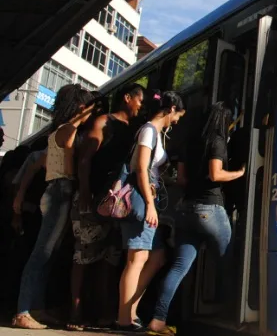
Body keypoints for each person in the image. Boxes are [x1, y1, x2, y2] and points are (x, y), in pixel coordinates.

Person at [147, 102, 246, 335]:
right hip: (210, 210)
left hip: (185, 209)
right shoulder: (218, 142)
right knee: (226, 263)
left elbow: (181, 180)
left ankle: (157, 320)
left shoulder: (190, 143)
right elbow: (216, 174)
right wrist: (240, 173)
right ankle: (226, 315)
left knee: (179, 267)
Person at [12, 84, 95, 330]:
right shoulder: (69, 130)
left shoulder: (59, 130)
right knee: (42, 254)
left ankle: (35, 308)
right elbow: (68, 166)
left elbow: (36, 163)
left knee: (48, 253)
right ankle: (23, 311)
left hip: (55, 192)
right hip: (60, 192)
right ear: (81, 108)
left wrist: (20, 195)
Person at [67, 84, 145, 331]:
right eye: (139, 100)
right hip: (93, 198)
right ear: (127, 98)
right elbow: (85, 160)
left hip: (118, 205)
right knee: (84, 256)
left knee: (108, 260)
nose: (141, 106)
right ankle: (76, 312)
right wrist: (86, 193)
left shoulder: (135, 129)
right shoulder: (103, 121)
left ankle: (101, 312)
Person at [116, 90, 185, 331]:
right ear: (171, 109)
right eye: (178, 116)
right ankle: (124, 318)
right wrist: (149, 203)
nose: (177, 121)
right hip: (141, 199)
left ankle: (130, 313)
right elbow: (142, 169)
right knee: (137, 259)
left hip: (147, 197)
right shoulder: (148, 131)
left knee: (155, 257)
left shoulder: (154, 132)